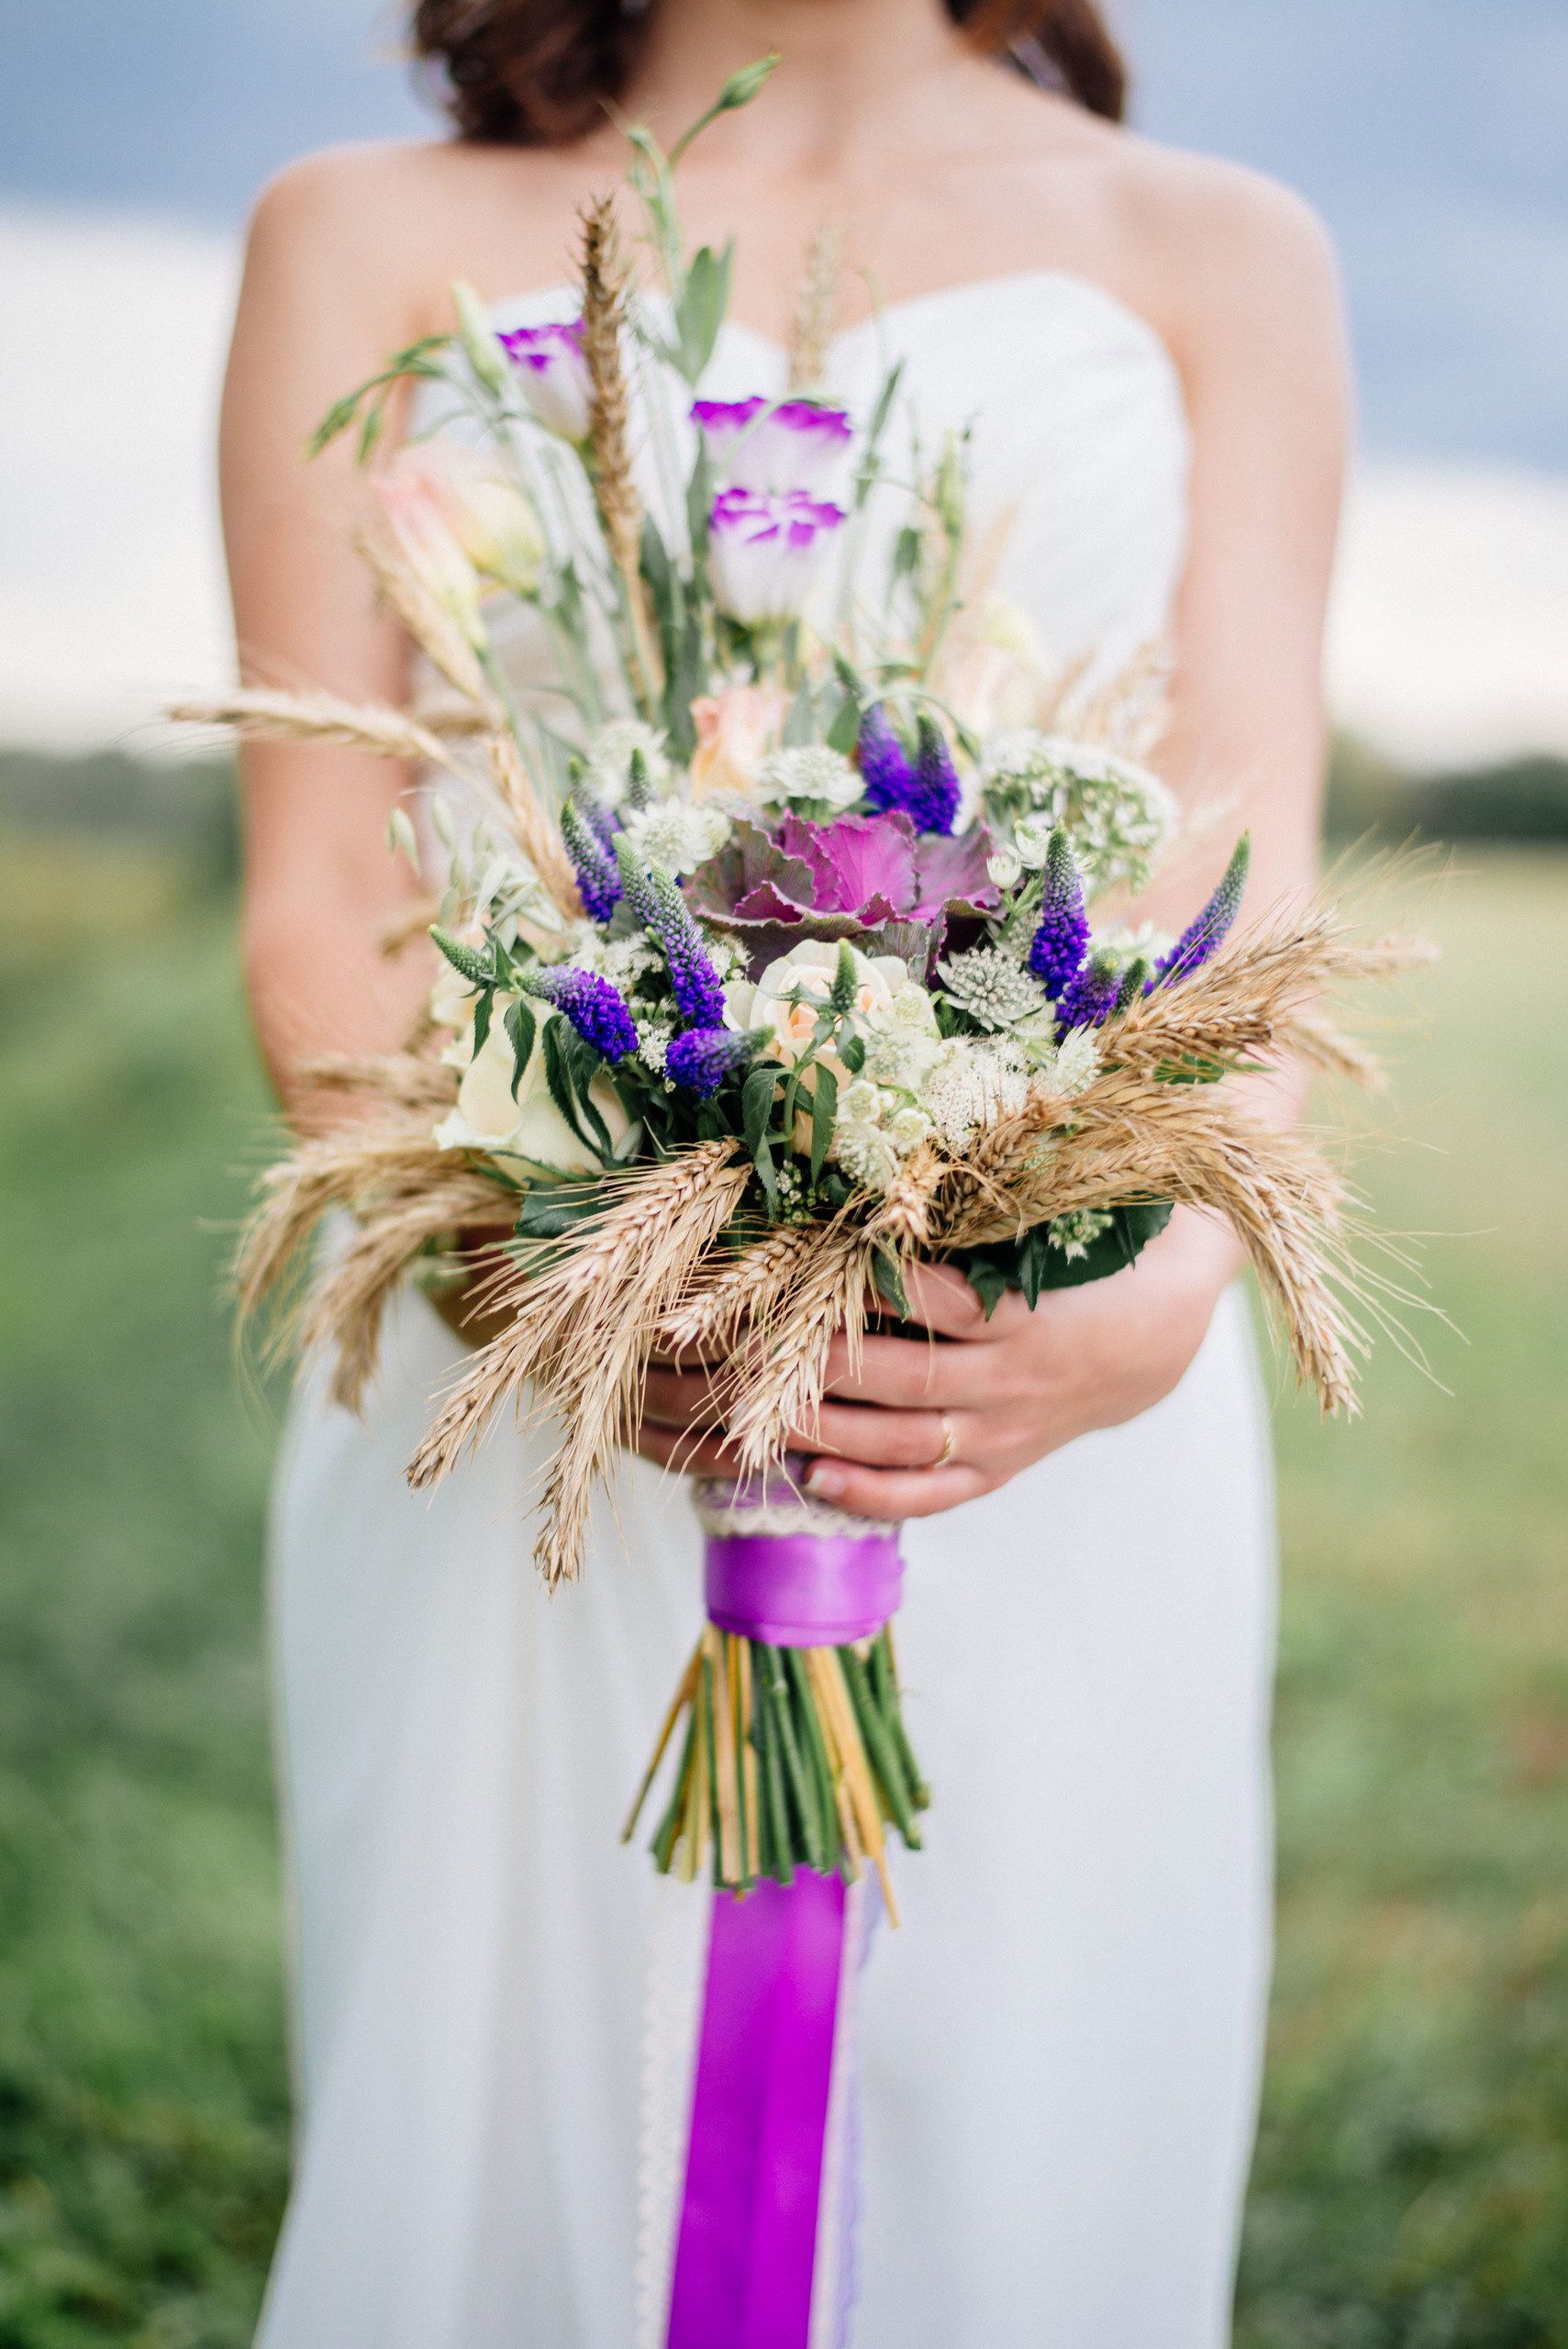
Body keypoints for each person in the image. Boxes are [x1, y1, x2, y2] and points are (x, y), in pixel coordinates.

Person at [221, 1, 1346, 2340]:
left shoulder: (1228, 255)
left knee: (1008, 2116)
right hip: (525, 1358)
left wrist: (1141, 1312)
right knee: (515, 2102)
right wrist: (526, 1272)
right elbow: (325, 886)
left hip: (1026, 1386)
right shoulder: (356, 238)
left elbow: (1253, 875)